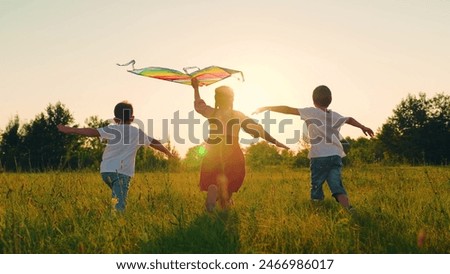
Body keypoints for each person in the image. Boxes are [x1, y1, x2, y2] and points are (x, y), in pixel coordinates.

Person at [253, 85, 374, 212]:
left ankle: (317, 212)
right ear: (330, 100)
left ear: (313, 100)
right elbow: (349, 119)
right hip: (335, 155)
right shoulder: (335, 115)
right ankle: (348, 208)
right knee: (336, 185)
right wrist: (363, 127)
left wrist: (267, 108)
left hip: (319, 156)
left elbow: (288, 109)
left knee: (316, 186)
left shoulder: (311, 112)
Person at [191, 78, 289, 212]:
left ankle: (213, 191)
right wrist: (275, 141)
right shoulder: (237, 115)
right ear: (232, 99)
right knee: (231, 179)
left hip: (213, 149)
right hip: (231, 151)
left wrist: (196, 88)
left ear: (217, 99)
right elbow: (258, 129)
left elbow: (199, 105)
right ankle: (226, 201)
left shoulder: (212, 112)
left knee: (213, 177)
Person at [57, 101, 173, 212]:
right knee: (119, 207)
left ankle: (109, 213)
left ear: (115, 119)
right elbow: (154, 142)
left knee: (117, 197)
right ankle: (115, 223)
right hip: (121, 173)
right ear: (132, 118)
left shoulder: (112, 129)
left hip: (106, 171)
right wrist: (168, 153)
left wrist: (71, 129)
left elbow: (92, 132)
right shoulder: (136, 132)